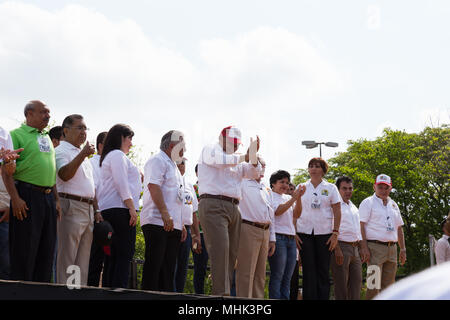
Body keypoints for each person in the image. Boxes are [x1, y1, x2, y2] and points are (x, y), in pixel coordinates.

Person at [2, 101, 61, 282]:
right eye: (43, 112)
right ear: (29, 114)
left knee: (47, 251)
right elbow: (7, 170)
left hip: (48, 198)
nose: (48, 116)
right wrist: (15, 198)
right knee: (25, 252)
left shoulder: (46, 138)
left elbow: (50, 171)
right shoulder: (16, 135)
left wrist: (56, 199)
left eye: (49, 112)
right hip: (27, 196)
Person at [197, 126, 261, 296]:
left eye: (237, 144)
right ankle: (222, 295)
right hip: (213, 204)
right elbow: (220, 161)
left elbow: (255, 173)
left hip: (234, 207)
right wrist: (245, 156)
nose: (234, 146)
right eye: (231, 142)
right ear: (221, 138)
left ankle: (223, 293)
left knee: (231, 255)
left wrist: (253, 157)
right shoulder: (209, 149)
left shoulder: (237, 159)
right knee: (221, 252)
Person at [140, 130, 187, 292]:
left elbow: (177, 196)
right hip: (157, 221)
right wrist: (165, 214)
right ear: (172, 146)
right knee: (154, 268)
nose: (184, 151)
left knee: (168, 271)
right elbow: (154, 186)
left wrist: (181, 223)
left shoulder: (173, 165)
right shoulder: (157, 160)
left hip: (173, 224)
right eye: (182, 147)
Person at [97, 124, 141, 288]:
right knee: (123, 254)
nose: (131, 143)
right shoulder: (117, 155)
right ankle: (118, 291)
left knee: (112, 255)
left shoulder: (111, 156)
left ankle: (110, 290)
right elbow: (121, 182)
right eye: (129, 138)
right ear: (121, 137)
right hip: (120, 211)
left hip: (111, 210)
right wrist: (131, 207)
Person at [55, 114, 96, 286]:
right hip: (70, 205)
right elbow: (64, 175)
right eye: (79, 127)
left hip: (88, 209)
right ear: (66, 130)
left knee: (82, 261)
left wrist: (97, 209)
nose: (83, 132)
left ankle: (77, 293)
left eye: (85, 128)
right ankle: (65, 294)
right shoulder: (61, 150)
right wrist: (83, 155)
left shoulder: (81, 152)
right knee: (68, 258)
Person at [296, 157, 342, 300]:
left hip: (325, 234)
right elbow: (294, 211)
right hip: (304, 233)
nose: (314, 169)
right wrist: (294, 233)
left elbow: (337, 211)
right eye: (311, 166)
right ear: (308, 170)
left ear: (323, 170)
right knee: (308, 271)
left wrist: (335, 233)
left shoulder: (331, 188)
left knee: (323, 270)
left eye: (317, 166)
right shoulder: (301, 187)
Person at [359, 174, 407, 300]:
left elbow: (399, 228)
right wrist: (364, 247)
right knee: (373, 284)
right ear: (374, 186)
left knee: (389, 287)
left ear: (390, 188)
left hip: (392, 249)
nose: (383, 190)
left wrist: (402, 249)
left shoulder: (394, 204)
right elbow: (361, 225)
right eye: (380, 187)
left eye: (386, 188)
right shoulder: (368, 202)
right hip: (374, 248)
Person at [235, 159, 275, 299]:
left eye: (264, 165)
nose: (262, 168)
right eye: (259, 164)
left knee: (260, 274)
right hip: (248, 228)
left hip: (265, 230)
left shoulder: (265, 187)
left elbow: (271, 214)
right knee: (246, 272)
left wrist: (272, 238)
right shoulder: (243, 182)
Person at [268, 170, 305, 299]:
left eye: (287, 183)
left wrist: (298, 198)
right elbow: (278, 211)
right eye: (281, 182)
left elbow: (297, 214)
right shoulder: (270, 195)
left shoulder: (288, 198)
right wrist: (294, 198)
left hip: (290, 239)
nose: (285, 185)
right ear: (273, 183)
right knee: (278, 275)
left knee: (287, 278)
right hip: (278, 238)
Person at [330, 176, 363, 300]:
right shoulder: (335, 205)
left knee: (356, 284)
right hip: (341, 246)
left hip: (355, 248)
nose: (348, 191)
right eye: (344, 188)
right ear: (338, 189)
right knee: (341, 286)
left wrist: (361, 247)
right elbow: (330, 227)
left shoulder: (353, 206)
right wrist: (336, 248)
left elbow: (357, 228)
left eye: (350, 188)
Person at [87, 131, 109, 287]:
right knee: (94, 258)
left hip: (111, 219)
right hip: (98, 218)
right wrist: (97, 211)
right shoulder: (92, 163)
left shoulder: (112, 163)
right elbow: (92, 190)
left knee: (108, 258)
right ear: (100, 146)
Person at [174, 158, 198, 293]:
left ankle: (180, 295)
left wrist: (196, 236)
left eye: (184, 162)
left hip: (187, 231)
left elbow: (194, 211)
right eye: (179, 162)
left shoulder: (189, 184)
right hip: (174, 228)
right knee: (173, 266)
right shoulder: (172, 181)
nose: (182, 165)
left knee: (183, 268)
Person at [375, 261, 450, 300]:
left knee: (388, 286)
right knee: (373, 286)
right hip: (373, 246)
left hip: (391, 247)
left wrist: (402, 248)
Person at [190, 164, 209, 294]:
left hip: (212, 235)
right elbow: (191, 211)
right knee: (199, 267)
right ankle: (198, 295)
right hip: (197, 234)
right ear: (196, 173)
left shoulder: (213, 190)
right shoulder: (193, 188)